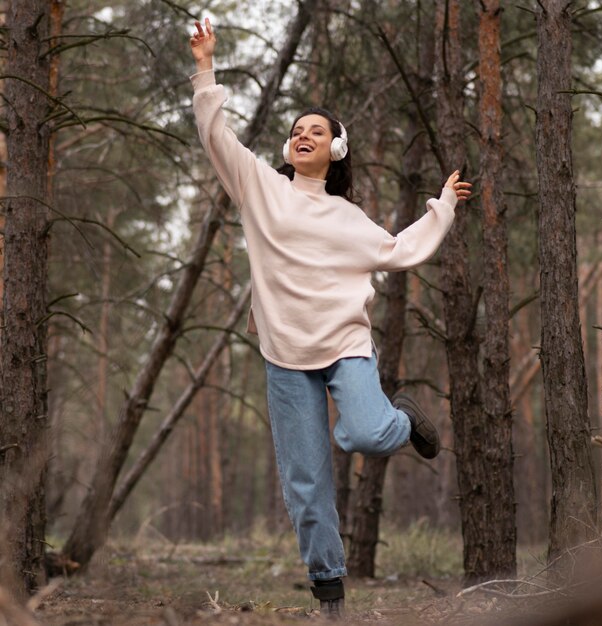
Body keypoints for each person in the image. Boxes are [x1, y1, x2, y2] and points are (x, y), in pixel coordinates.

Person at [189, 16, 471, 619]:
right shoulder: (260, 189)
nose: (302, 135)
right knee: (307, 488)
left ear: (335, 148)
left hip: (345, 346)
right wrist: (206, 66)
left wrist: (443, 206)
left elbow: (401, 250)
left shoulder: (349, 220)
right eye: (296, 131)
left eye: (316, 130)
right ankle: (330, 597)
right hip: (285, 358)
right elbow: (216, 136)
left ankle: (403, 421)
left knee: (364, 434)